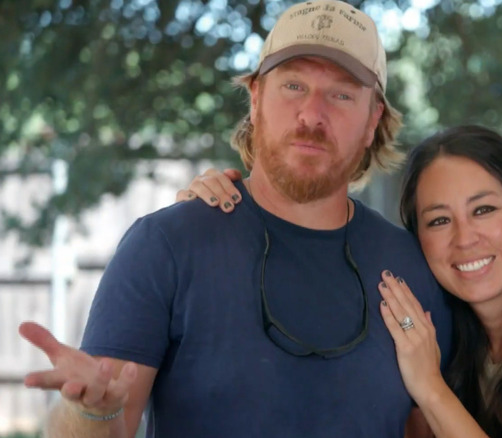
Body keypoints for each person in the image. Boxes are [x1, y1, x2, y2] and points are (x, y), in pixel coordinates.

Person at [17, 1, 453, 437]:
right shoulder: (166, 244)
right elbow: (105, 418)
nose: (312, 115)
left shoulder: (409, 269)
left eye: (341, 94)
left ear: (373, 119)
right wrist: (93, 413)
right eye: (294, 86)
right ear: (256, 96)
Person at [185, 125, 502, 437]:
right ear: (417, 240)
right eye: (439, 221)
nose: (465, 239)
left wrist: (430, 387)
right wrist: (224, 213)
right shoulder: (440, 327)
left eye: (483, 210)